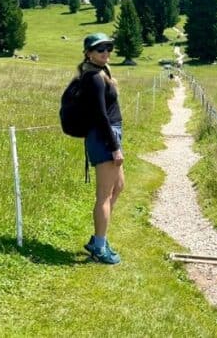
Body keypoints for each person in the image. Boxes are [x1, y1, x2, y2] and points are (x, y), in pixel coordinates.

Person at [78, 32, 124, 264]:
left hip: (109, 134)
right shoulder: (94, 78)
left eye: (108, 48)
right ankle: (98, 245)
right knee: (104, 195)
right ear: (88, 53)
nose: (105, 52)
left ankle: (100, 237)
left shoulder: (101, 73)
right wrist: (114, 147)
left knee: (118, 187)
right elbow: (100, 116)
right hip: (104, 137)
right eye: (100, 49)